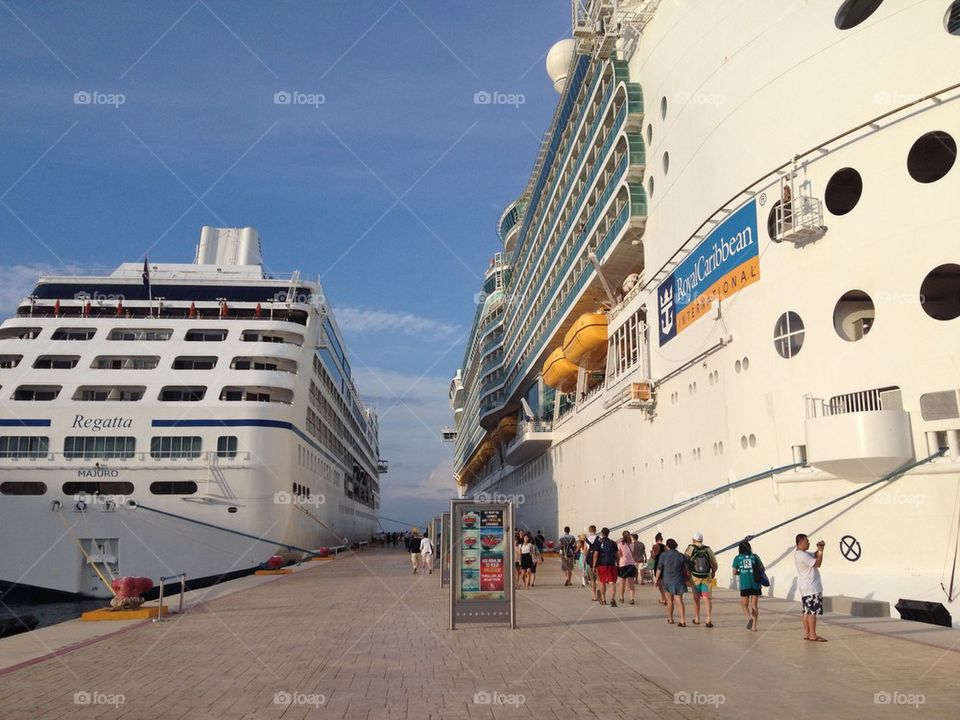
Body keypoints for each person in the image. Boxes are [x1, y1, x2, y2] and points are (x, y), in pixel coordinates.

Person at [795, 533, 826, 641]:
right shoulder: (802, 555)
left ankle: (807, 633)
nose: (808, 543)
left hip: (806, 587)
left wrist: (819, 549)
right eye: (806, 542)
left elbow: (814, 554)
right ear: (800, 543)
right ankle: (813, 634)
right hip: (812, 587)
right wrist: (821, 552)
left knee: (806, 611)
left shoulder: (802, 554)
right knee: (812, 612)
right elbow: (817, 563)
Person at [684, 532, 718, 627]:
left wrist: (687, 572)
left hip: (695, 578)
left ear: (693, 540)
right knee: (706, 598)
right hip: (706, 578)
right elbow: (714, 564)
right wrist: (713, 572)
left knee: (696, 598)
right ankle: (708, 618)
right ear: (702, 540)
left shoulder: (690, 548)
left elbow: (685, 561)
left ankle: (697, 618)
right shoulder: (708, 549)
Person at [655, 538, 688, 626]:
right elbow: (687, 569)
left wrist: (656, 579)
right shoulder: (681, 555)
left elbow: (659, 568)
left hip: (668, 580)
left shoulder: (663, 555)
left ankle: (670, 618)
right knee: (679, 600)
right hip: (679, 579)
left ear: (667, 546)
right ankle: (682, 620)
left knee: (670, 600)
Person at [732, 540, 762, 632]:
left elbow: (734, 572)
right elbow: (761, 568)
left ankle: (749, 618)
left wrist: (741, 572)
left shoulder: (737, 558)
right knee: (754, 605)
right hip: (755, 583)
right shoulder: (755, 556)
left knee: (744, 605)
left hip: (745, 584)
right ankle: (754, 626)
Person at [592, 527, 619, 606]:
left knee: (602, 582)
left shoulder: (599, 542)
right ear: (608, 533)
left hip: (602, 565)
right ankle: (612, 599)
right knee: (612, 582)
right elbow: (617, 555)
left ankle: (603, 599)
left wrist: (594, 565)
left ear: (601, 533)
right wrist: (618, 564)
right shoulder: (613, 543)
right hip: (612, 564)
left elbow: (596, 555)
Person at [616, 530, 637, 605]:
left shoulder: (620, 544)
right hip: (631, 564)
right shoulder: (632, 544)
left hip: (623, 564)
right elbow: (633, 554)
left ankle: (622, 597)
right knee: (631, 582)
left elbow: (619, 555)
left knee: (622, 582)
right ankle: (632, 598)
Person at [584, 525, 599, 601]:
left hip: (589, 562)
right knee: (599, 580)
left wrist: (584, 562)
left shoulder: (586, 540)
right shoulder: (599, 539)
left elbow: (585, 552)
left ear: (589, 531)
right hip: (599, 562)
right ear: (595, 530)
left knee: (592, 580)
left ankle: (594, 596)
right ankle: (600, 595)